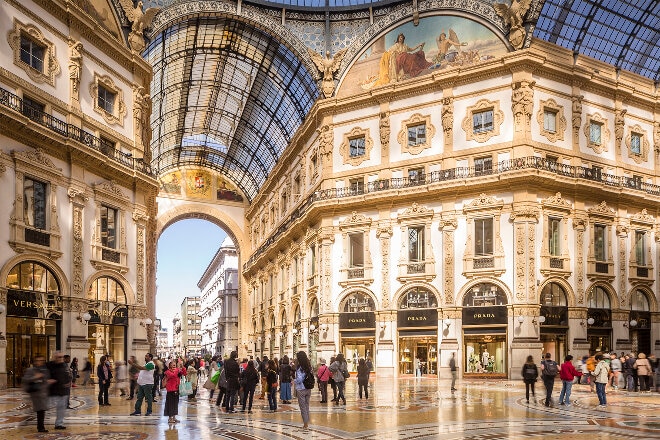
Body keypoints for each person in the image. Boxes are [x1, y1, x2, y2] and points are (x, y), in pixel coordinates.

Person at [23, 354, 52, 433]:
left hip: (43, 393)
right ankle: (40, 428)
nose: (40, 362)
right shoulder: (31, 370)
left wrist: (48, 382)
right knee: (40, 410)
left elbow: (46, 380)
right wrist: (35, 377)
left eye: (42, 361)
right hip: (35, 394)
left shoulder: (45, 370)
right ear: (35, 361)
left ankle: (38, 426)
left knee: (40, 411)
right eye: (38, 361)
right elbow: (25, 380)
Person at [47, 351, 70, 430]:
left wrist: (68, 382)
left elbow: (67, 374)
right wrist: (48, 380)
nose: (61, 359)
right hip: (52, 391)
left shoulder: (64, 365)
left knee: (61, 408)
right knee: (45, 407)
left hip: (62, 391)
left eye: (62, 357)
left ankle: (59, 424)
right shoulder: (49, 365)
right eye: (59, 357)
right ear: (54, 357)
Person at [293, 351, 313, 430]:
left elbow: (300, 379)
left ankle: (305, 424)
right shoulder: (309, 366)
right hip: (308, 388)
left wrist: (294, 381)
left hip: (301, 388)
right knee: (307, 405)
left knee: (302, 407)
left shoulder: (300, 367)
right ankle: (307, 421)